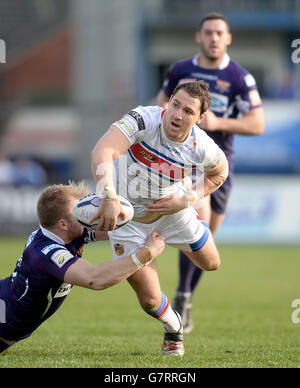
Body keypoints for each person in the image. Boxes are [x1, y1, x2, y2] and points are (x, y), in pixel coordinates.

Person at [90, 81, 229, 356]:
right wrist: (108, 195)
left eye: (188, 111)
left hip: (172, 212)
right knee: (150, 300)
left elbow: (219, 173)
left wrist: (186, 200)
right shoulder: (144, 120)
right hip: (127, 218)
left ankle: (191, 221)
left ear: (200, 119)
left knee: (212, 263)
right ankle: (174, 327)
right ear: (169, 102)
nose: (177, 114)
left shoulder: (202, 145)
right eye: (175, 104)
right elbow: (102, 151)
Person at [156, 12, 265, 333]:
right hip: (182, 161)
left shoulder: (239, 77)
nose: (214, 38)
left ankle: (184, 295)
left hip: (217, 165)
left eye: (220, 33)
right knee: (194, 223)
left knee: (206, 241)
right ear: (198, 37)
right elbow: (160, 106)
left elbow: (257, 124)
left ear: (228, 38)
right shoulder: (180, 70)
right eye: (209, 32)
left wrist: (218, 123)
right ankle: (176, 301)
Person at [0, 182, 165, 353]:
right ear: (63, 224)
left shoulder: (65, 232)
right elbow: (95, 279)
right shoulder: (46, 253)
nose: (86, 215)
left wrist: (154, 213)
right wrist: (147, 253)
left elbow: (116, 228)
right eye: (79, 211)